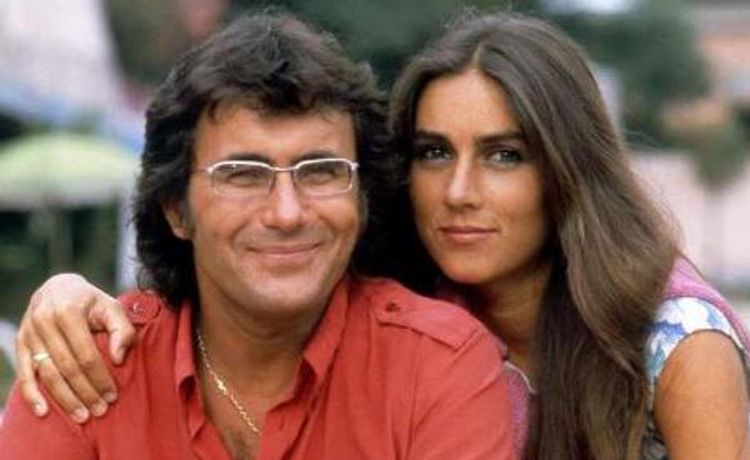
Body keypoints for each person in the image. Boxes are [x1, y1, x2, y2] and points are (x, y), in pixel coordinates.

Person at [11, 11, 750, 460]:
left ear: (567, 168)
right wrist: (65, 293)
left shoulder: (674, 342)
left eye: (504, 155)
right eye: (433, 153)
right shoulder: (413, 289)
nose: (459, 191)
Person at [0, 12, 516, 460]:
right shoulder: (83, 367)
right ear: (176, 208)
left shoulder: (437, 366)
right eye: (243, 174)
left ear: (362, 200)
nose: (287, 213)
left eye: (321, 171)